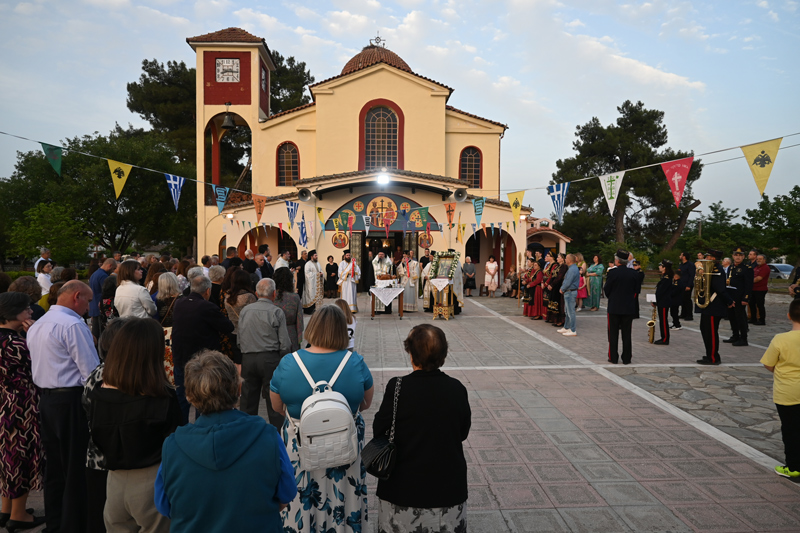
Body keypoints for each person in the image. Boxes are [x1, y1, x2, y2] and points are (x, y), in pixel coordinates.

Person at [155, 350, 296, 532]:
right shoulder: (267, 436)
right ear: (238, 389)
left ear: (190, 397)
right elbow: (286, 494)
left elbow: (165, 506)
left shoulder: (173, 447)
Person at [270, 305, 374, 533]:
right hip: (344, 449)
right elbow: (365, 404)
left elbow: (277, 407)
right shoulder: (355, 362)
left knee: (300, 499)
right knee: (346, 499)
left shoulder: (289, 362)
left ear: (312, 328)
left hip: (300, 449)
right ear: (342, 331)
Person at [85, 318, 180, 533]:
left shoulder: (100, 392)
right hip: (152, 479)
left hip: (115, 480)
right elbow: (174, 442)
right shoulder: (162, 397)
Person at [373, 324, 470, 532]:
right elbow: (463, 432)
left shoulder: (397, 387)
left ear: (411, 355)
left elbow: (379, 430)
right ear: (443, 355)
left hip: (401, 488)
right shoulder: (456, 388)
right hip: (448, 487)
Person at [26, 281, 100, 533]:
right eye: (88, 300)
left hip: (47, 400)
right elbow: (90, 372)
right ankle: (73, 525)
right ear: (76, 296)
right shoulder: (72, 325)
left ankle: (56, 522)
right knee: (74, 465)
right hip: (70, 400)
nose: (89, 307)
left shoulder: (39, 324)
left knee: (55, 467)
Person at [0, 293, 46, 532]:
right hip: (22, 406)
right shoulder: (18, 344)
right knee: (22, 457)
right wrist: (34, 335)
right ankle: (18, 515)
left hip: (4, 403)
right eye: (26, 309)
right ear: (13, 313)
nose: (30, 312)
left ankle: (6, 509)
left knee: (7, 457)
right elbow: (40, 366)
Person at [82, 317, 129, 533]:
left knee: (98, 515)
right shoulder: (131, 375)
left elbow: (86, 407)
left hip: (97, 457)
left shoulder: (96, 373)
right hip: (122, 460)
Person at [171, 276, 234, 424]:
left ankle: (182, 429)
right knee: (204, 397)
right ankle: (202, 428)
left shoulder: (179, 303)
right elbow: (228, 327)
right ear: (207, 291)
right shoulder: (207, 307)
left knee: (182, 398)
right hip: (202, 362)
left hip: (180, 357)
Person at [761, 299, 800, 481]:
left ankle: (793, 467)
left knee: (790, 429)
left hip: (787, 391)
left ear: (789, 316)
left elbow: (768, 364)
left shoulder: (780, 339)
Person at [604, 250, 642, 365]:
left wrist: (613, 298)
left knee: (613, 334)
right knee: (627, 334)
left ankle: (613, 357)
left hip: (614, 306)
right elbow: (637, 290)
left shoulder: (612, 273)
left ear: (617, 260)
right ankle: (626, 358)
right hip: (628, 307)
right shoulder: (634, 273)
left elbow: (607, 289)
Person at [696, 250, 734, 365]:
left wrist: (729, 301)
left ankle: (713, 357)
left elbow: (720, 289)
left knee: (711, 332)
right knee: (705, 330)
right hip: (708, 305)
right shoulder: (711, 269)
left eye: (708, 257)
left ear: (713, 258)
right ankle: (710, 354)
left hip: (714, 305)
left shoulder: (717, 270)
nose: (705, 258)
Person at [225, 269, 258, 370]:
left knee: (237, 360)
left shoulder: (227, 297)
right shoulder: (250, 297)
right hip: (248, 332)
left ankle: (238, 378)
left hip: (234, 331)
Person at [723, 247, 754, 347]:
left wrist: (746, 298)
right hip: (731, 296)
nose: (738, 257)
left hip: (740, 296)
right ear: (733, 256)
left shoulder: (747, 268)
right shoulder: (731, 267)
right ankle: (735, 335)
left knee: (740, 317)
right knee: (731, 316)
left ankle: (743, 338)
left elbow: (749, 285)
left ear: (743, 257)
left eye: (740, 255)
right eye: (736, 255)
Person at [272, 267, 304, 353]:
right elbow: (299, 320)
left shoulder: (271, 296)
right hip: (291, 334)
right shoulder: (294, 297)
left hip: (274, 334)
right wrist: (299, 338)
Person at [88, 259, 117, 337]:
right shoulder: (103, 276)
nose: (113, 271)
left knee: (96, 331)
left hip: (94, 305)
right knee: (100, 333)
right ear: (109, 266)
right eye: (113, 268)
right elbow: (107, 291)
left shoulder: (95, 274)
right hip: (100, 307)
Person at [653, 260, 676, 345]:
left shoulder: (666, 278)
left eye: (661, 266)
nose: (659, 267)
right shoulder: (665, 277)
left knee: (663, 321)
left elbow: (661, 292)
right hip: (662, 301)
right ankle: (663, 337)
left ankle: (665, 338)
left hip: (663, 301)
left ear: (664, 268)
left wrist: (655, 301)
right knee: (662, 320)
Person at [559, 254, 580, 337]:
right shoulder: (572, 268)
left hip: (570, 292)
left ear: (570, 260)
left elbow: (568, 281)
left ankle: (573, 330)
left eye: (566, 258)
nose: (565, 260)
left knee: (571, 312)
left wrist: (562, 288)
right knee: (567, 311)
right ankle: (566, 327)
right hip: (569, 292)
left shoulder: (572, 269)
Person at [301, 250, 323, 314]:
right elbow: (307, 274)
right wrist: (318, 274)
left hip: (317, 283)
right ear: (311, 256)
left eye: (317, 255)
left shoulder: (318, 263)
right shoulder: (308, 264)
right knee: (311, 296)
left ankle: (317, 309)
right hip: (310, 284)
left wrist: (321, 273)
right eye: (315, 255)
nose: (317, 257)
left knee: (317, 296)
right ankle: (310, 310)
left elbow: (321, 270)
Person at [750, 254, 770, 325]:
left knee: (760, 305)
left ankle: (762, 320)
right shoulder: (756, 267)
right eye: (757, 259)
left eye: (760, 259)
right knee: (751, 304)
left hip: (760, 289)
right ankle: (753, 318)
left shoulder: (765, 267)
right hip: (753, 288)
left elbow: (759, 278)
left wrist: (748, 282)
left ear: (764, 260)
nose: (758, 260)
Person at [547, 254, 566, 326]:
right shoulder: (557, 266)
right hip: (554, 286)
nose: (557, 258)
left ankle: (560, 320)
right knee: (553, 301)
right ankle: (552, 318)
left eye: (559, 257)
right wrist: (549, 284)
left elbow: (559, 277)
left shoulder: (564, 266)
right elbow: (552, 276)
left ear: (562, 259)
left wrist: (552, 284)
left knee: (558, 303)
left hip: (558, 285)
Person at [678, 252, 696, 322]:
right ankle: (683, 313)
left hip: (687, 284)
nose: (680, 256)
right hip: (681, 284)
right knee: (682, 299)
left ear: (684, 257)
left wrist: (688, 285)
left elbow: (691, 276)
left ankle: (689, 315)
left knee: (687, 300)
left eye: (681, 255)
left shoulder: (690, 265)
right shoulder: (681, 265)